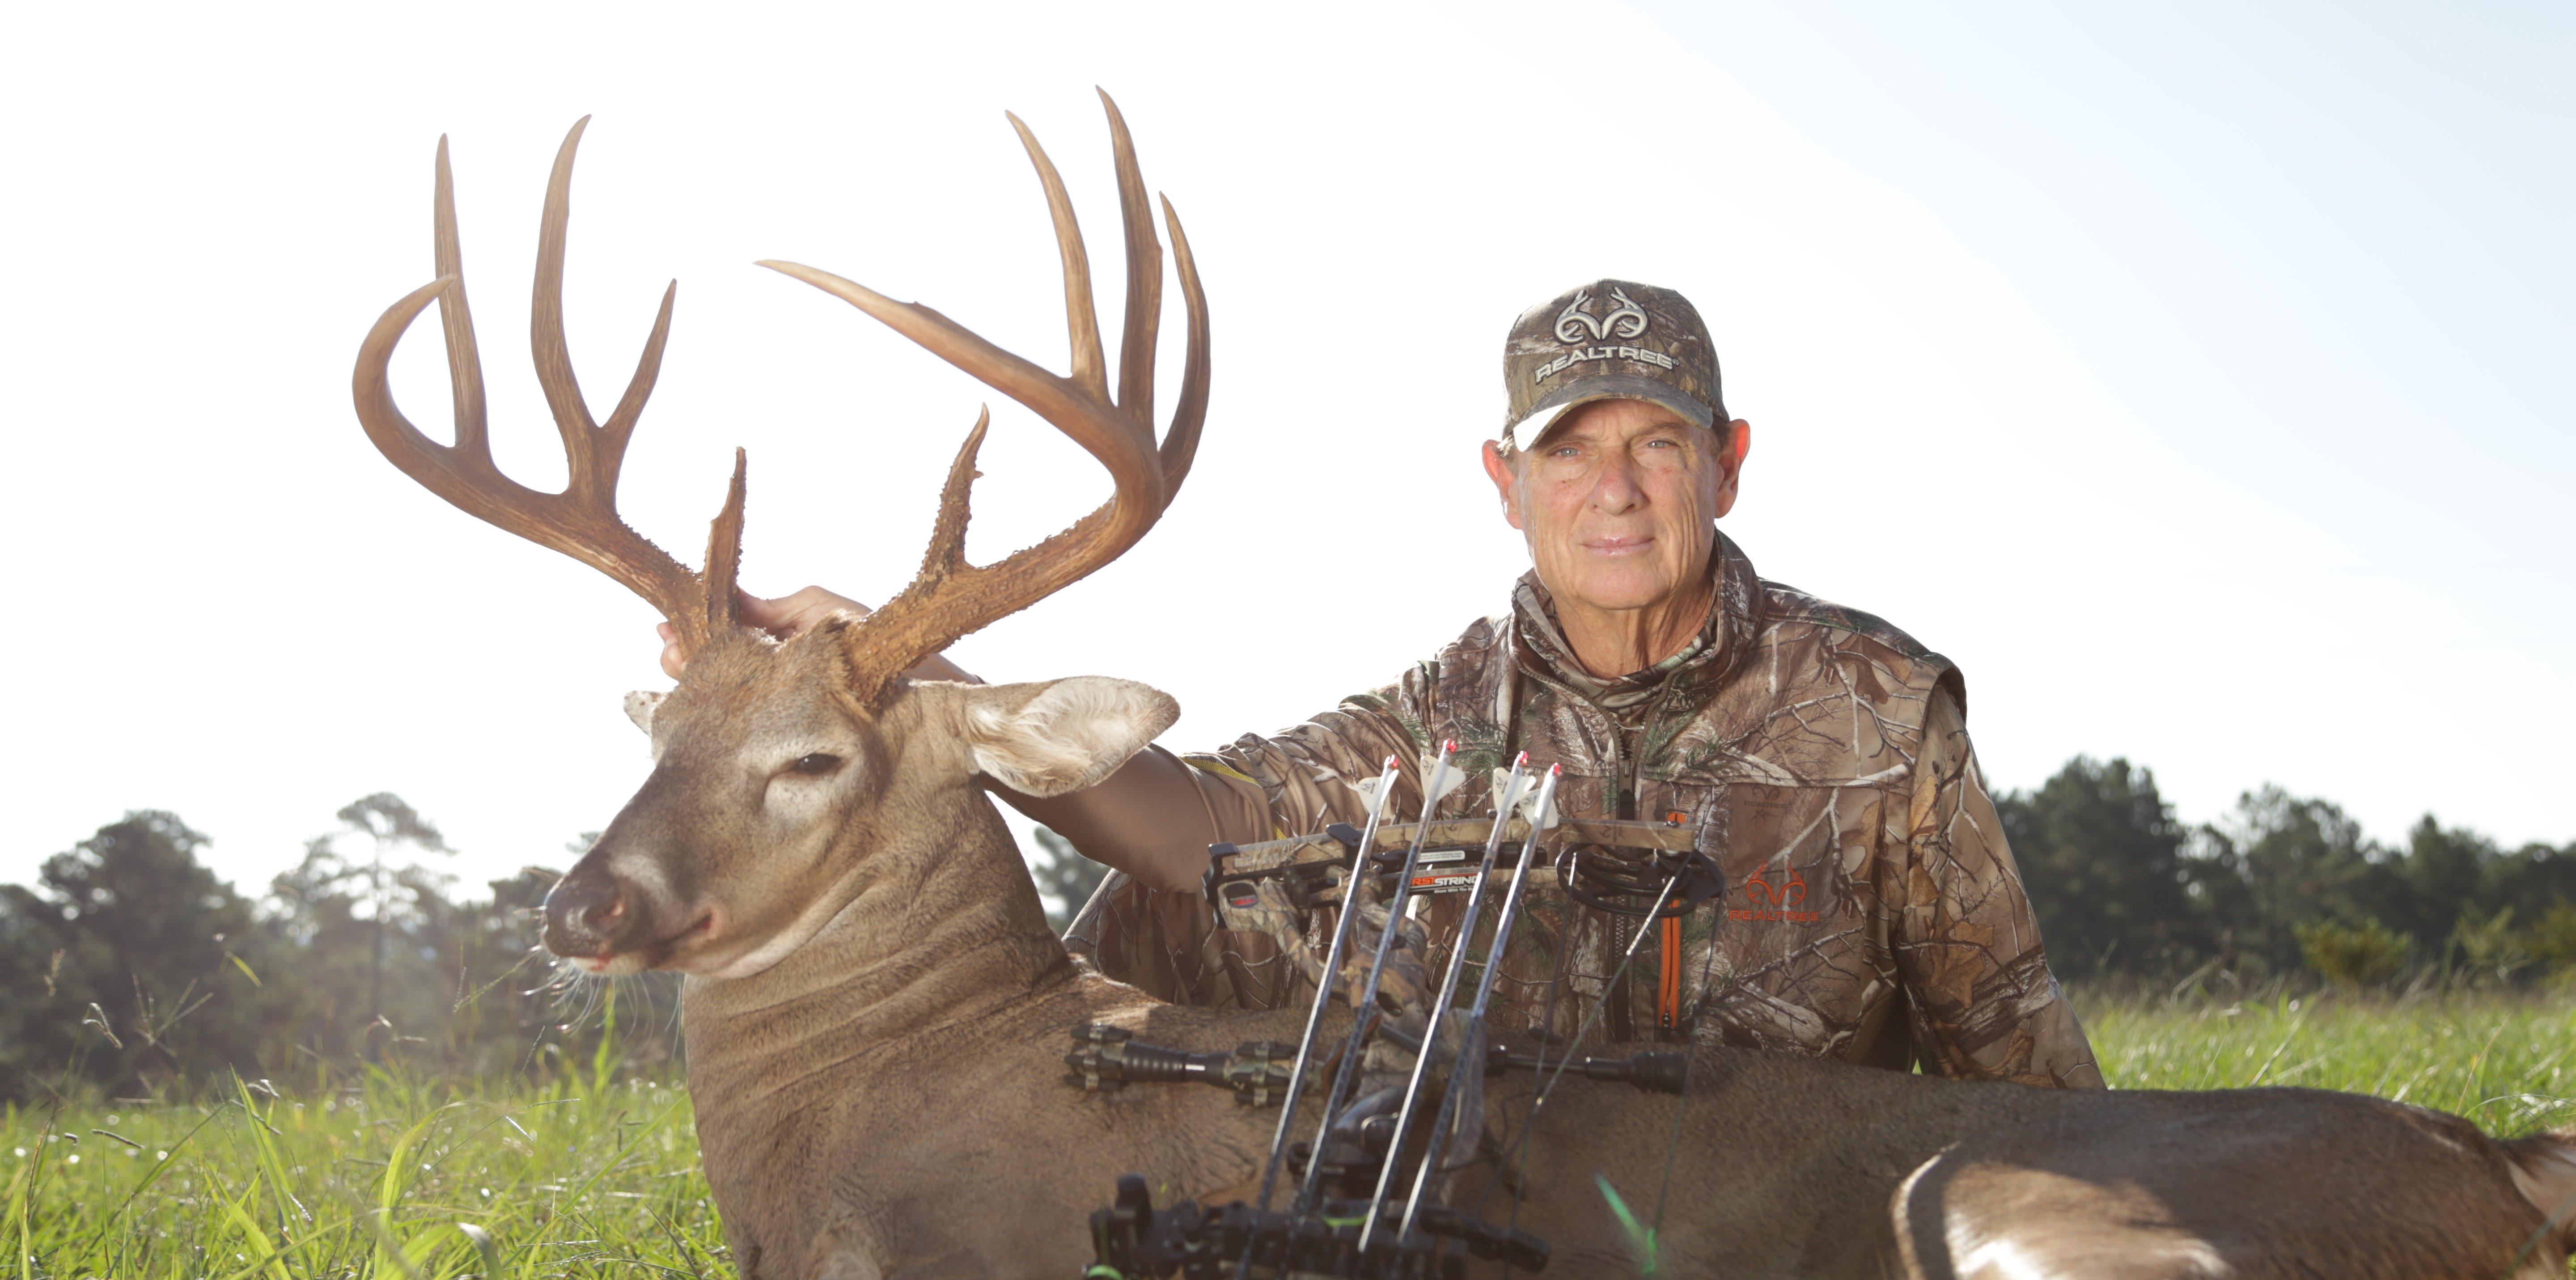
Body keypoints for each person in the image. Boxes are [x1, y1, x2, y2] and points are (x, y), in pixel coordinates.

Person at [661, 280, 2101, 1088]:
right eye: (1565, 451)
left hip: (1810, 1239)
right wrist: (903, 665)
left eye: (1656, 444)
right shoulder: (1438, 721)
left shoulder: (1878, 707)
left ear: (1726, 463)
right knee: (1177, 916)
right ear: (1505, 482)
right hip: (1526, 1241)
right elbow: (1185, 829)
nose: (1612, 490)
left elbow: (2018, 1060)